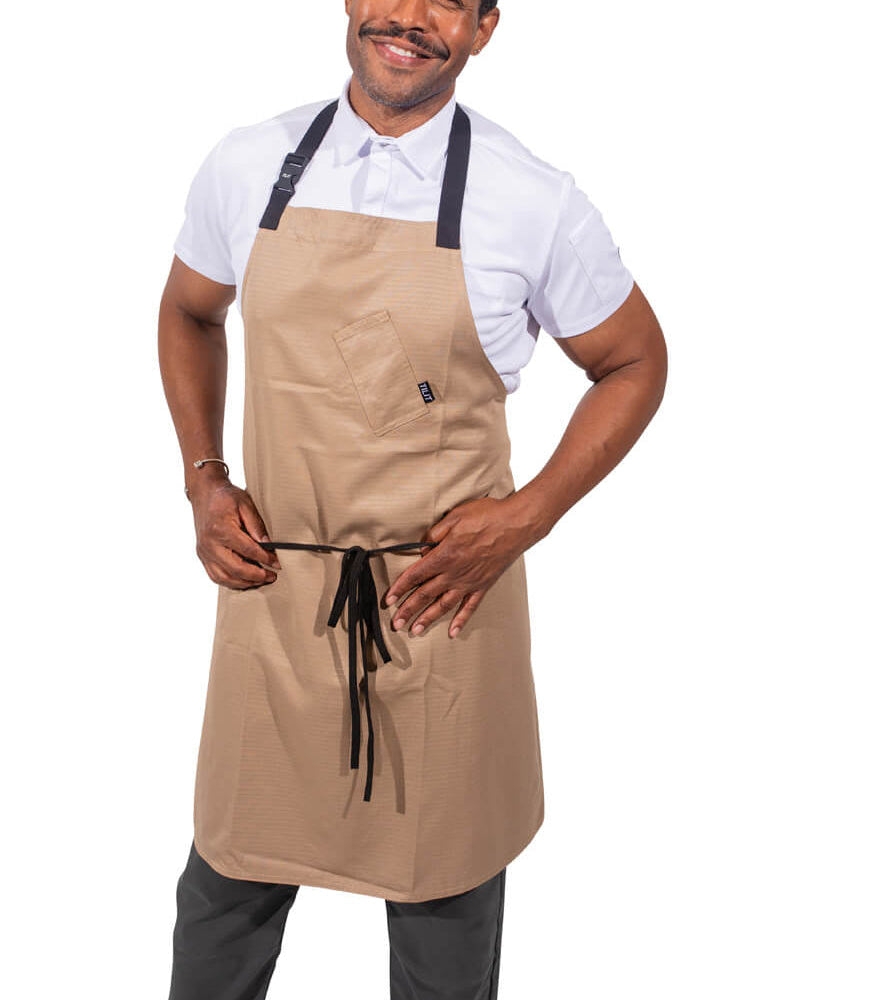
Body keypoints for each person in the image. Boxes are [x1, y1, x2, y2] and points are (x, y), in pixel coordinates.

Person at [158, 1, 667, 997]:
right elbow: (187, 309)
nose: (407, 16)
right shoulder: (246, 163)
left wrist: (527, 516)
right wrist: (204, 478)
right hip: (277, 602)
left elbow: (633, 360)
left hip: (442, 605)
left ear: (482, 26)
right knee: (223, 902)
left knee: (444, 919)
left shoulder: (532, 199)